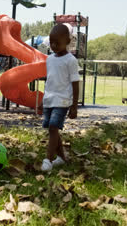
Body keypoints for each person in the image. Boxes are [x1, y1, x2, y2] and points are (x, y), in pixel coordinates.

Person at [40, 23, 80, 172]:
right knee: (53, 131)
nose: (54, 45)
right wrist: (41, 100)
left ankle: (48, 160)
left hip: (62, 101)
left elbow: (75, 84)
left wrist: (74, 106)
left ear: (68, 42)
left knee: (53, 128)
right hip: (49, 100)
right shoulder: (49, 59)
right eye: (51, 42)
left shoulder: (71, 61)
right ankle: (62, 158)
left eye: (58, 42)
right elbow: (50, 81)